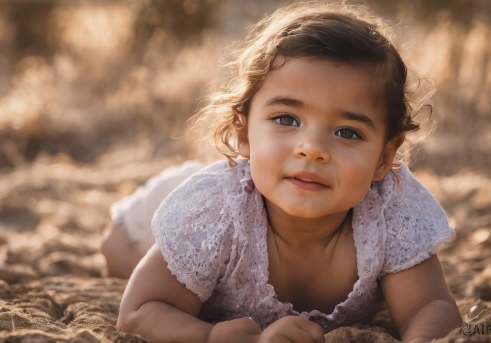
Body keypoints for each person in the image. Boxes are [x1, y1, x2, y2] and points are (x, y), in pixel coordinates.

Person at [102, 2, 462, 342]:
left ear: (384, 158)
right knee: (119, 251)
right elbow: (138, 312)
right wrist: (212, 336)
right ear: (244, 134)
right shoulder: (211, 215)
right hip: (203, 193)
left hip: (262, 175)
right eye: (286, 119)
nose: (313, 149)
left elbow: (428, 306)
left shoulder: (390, 208)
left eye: (347, 132)